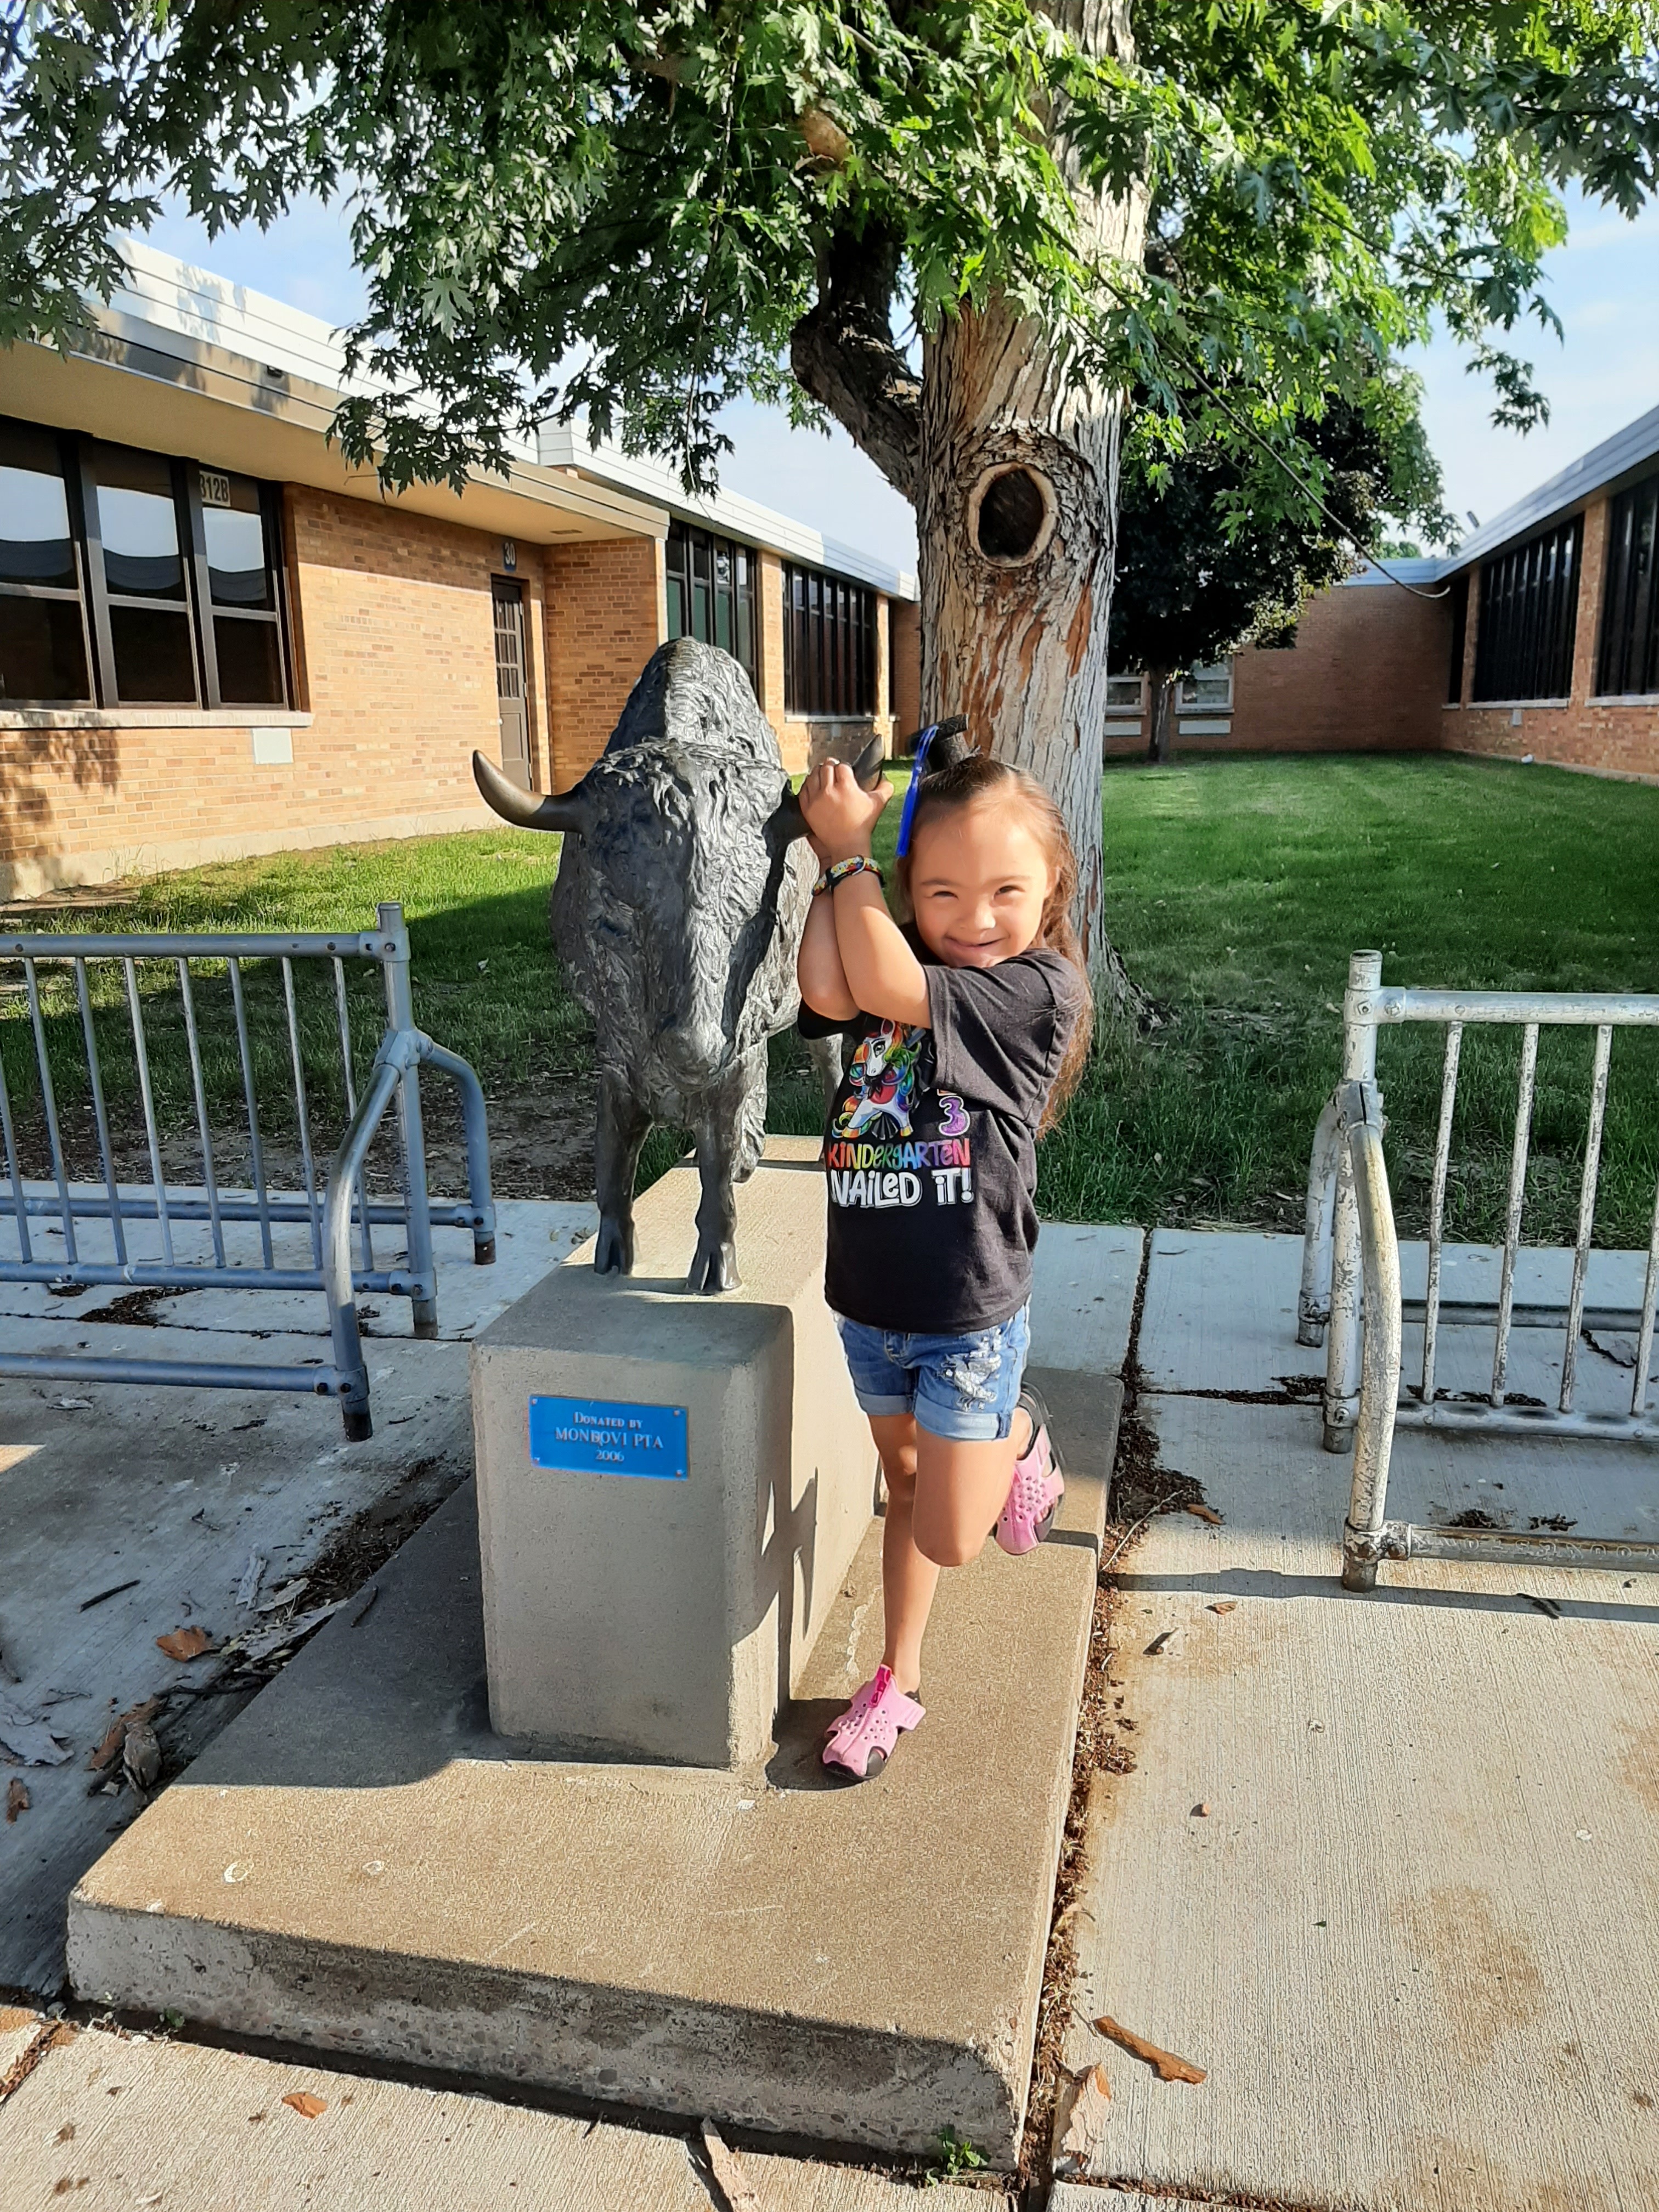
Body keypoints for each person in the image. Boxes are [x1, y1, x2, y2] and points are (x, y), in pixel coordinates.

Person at [795, 730, 1091, 1780]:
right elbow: (832, 988)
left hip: (967, 1315)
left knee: (960, 1536)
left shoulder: (1035, 991)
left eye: (1006, 890)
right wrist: (846, 870)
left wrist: (844, 859)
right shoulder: (906, 952)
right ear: (914, 889)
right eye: (944, 893)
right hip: (870, 1297)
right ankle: (899, 1677)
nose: (974, 921)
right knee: (907, 1485)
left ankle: (1019, 1434)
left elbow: (870, 967)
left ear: (1052, 885)